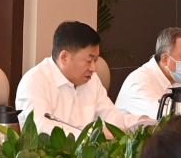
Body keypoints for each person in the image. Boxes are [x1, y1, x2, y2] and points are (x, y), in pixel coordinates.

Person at [14, 21, 143, 132]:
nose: (93, 68)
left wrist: (142, 124)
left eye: (96, 60)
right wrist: (91, 137)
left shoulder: (91, 79)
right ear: (64, 57)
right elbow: (41, 129)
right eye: (89, 60)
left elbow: (112, 117)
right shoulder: (34, 82)